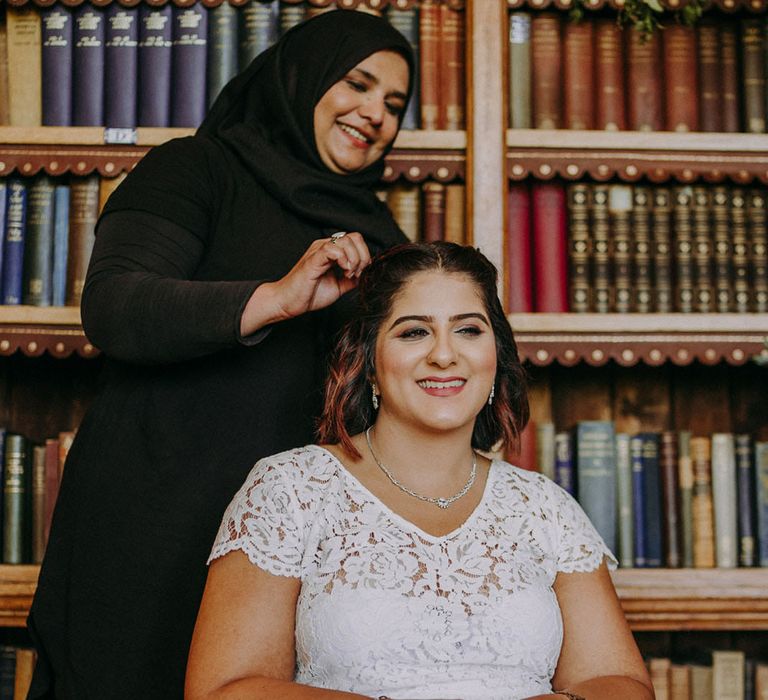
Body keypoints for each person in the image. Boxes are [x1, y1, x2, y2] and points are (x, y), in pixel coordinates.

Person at [28, 10, 413, 699]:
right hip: (151, 522)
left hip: (288, 550)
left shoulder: (378, 239)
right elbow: (113, 306)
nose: (375, 114)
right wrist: (275, 298)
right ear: (303, 78)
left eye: (394, 104)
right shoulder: (196, 167)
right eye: (357, 84)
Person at [186, 241, 654, 700]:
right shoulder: (289, 490)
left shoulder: (545, 507)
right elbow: (225, 689)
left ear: (497, 356)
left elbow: (620, 683)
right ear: (368, 362)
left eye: (469, 330)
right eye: (414, 332)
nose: (444, 355)